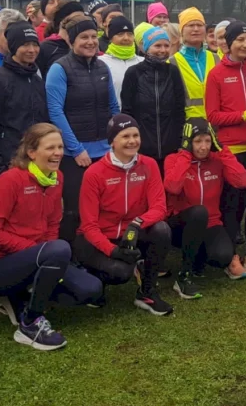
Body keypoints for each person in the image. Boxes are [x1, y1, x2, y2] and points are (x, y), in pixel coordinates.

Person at [0, 123, 103, 351]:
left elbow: (53, 223)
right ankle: (29, 323)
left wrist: (44, 255)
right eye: (50, 148)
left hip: (38, 257)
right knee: (59, 249)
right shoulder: (10, 180)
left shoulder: (57, 177)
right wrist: (36, 252)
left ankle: (24, 296)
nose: (58, 153)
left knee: (91, 289)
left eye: (60, 147)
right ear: (31, 152)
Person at [74, 114, 173, 314]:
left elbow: (159, 207)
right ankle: (95, 278)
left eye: (135, 135)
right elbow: (89, 226)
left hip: (131, 233)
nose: (132, 141)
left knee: (162, 230)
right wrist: (113, 251)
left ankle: (147, 292)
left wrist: (137, 223)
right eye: (125, 136)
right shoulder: (94, 173)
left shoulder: (149, 165)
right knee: (120, 273)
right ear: (112, 141)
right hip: (97, 239)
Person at [45, 13, 119, 242]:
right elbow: (55, 111)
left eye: (93, 36)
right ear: (72, 41)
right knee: (74, 211)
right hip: (75, 154)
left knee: (103, 207)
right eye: (83, 37)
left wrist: (116, 140)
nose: (90, 42)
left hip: (104, 150)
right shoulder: (59, 69)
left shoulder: (102, 68)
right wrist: (76, 149)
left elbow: (113, 106)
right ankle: (71, 258)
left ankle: (101, 253)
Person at [206, 21, 246, 278]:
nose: (244, 44)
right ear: (228, 43)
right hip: (232, 149)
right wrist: (243, 115)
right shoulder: (217, 74)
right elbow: (212, 115)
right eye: (239, 40)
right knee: (232, 205)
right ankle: (232, 256)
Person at [163, 118, 246, 298]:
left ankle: (198, 259)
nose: (203, 147)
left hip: (211, 222)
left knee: (223, 256)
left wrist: (223, 150)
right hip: (180, 223)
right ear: (188, 142)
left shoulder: (217, 160)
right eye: (197, 141)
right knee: (199, 212)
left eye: (207, 141)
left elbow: (242, 181)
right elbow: (172, 187)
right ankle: (184, 276)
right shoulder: (174, 159)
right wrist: (186, 154)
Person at [0, 21, 49, 182]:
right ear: (13, 47)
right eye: (25, 45)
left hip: (37, 162)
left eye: (35, 44)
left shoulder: (37, 80)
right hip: (9, 163)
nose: (31, 50)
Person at [120, 27, 187, 170]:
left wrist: (180, 142)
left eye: (166, 45)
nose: (162, 50)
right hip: (142, 147)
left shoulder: (173, 72)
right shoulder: (133, 73)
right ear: (146, 48)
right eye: (157, 45)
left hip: (171, 147)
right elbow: (127, 111)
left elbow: (180, 109)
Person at [174, 7, 219, 120]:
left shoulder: (216, 58)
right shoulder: (172, 62)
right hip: (188, 127)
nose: (196, 29)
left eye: (199, 25)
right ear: (182, 31)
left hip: (215, 124)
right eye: (190, 25)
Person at [37, 0, 82, 78]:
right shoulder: (46, 47)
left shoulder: (86, 45)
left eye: (82, 18)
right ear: (61, 21)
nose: (79, 22)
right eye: (75, 18)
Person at [98, 15, 141, 97]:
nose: (126, 38)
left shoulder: (143, 62)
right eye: (120, 34)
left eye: (130, 34)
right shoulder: (100, 63)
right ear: (110, 38)